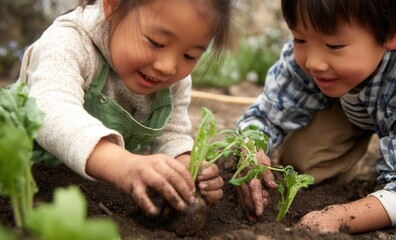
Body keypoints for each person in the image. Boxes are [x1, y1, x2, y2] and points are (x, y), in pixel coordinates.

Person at [236, 0, 396, 234]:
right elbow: (266, 114)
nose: (313, 61)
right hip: (356, 107)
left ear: (395, 31)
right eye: (299, 39)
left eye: (334, 45)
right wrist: (251, 149)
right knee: (300, 164)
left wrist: (339, 217)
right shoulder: (314, 47)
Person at [18, 0, 236, 216]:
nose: (167, 66)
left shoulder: (173, 81)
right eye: (157, 42)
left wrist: (187, 166)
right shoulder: (69, 41)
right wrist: (122, 165)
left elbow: (171, 133)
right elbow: (51, 109)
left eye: (189, 56)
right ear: (113, 6)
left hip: (98, 197)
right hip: (31, 184)